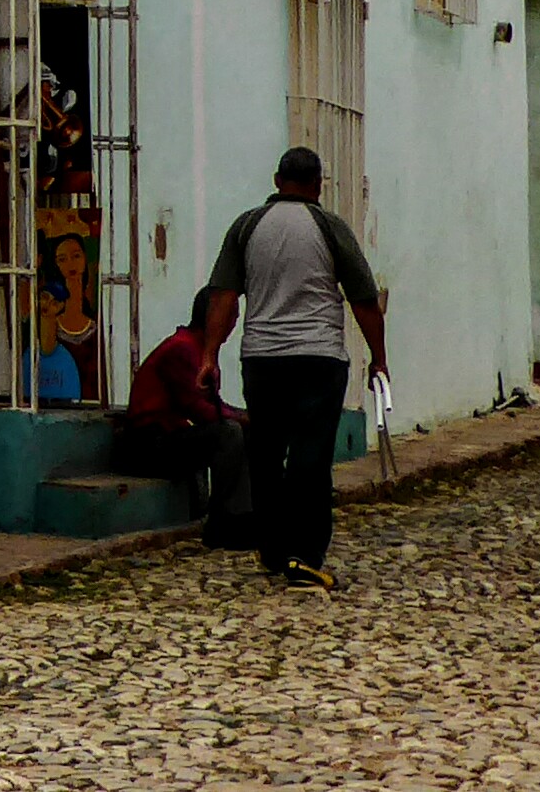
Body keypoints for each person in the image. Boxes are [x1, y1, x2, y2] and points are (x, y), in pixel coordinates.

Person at [204, 145, 385, 590]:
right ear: (318, 184)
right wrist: (379, 358)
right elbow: (364, 300)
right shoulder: (329, 227)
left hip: (262, 358)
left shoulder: (247, 227)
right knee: (311, 454)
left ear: (276, 180)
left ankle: (271, 548)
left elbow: (222, 296)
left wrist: (208, 355)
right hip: (318, 358)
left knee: (264, 452)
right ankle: (305, 553)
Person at [117, 284, 251, 542]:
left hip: (167, 436)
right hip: (147, 444)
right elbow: (201, 410)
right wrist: (243, 417)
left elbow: (214, 406)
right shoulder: (182, 348)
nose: (234, 323)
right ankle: (224, 519)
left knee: (242, 429)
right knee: (230, 433)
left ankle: (246, 513)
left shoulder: (201, 350)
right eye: (230, 315)